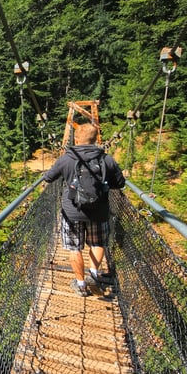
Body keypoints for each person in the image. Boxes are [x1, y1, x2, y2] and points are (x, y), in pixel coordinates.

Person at [42, 123, 126, 297]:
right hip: (99, 210)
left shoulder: (66, 159)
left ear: (76, 139)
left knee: (74, 248)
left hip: (72, 211)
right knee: (97, 243)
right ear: (95, 140)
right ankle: (94, 274)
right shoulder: (106, 159)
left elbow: (49, 178)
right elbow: (120, 184)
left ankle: (81, 284)